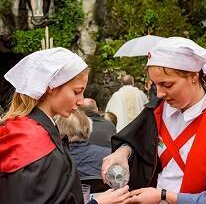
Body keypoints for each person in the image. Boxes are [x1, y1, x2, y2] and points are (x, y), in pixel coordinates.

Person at [102, 37, 206, 204]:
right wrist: (123, 152)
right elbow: (137, 141)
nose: (159, 93)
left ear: (193, 75)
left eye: (167, 85)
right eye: (156, 84)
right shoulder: (156, 110)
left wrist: (164, 196)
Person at [0, 47, 130, 204]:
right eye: (76, 92)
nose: (81, 101)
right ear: (51, 88)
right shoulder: (34, 140)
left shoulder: (23, 128)